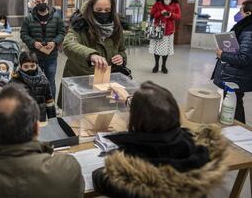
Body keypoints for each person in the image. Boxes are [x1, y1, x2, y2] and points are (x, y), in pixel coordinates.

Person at [92, 81, 228, 197]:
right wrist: (129, 100)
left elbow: (98, 177)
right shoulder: (200, 154)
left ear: (135, 123)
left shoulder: (126, 177)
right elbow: (163, 116)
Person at [212, 0, 252, 123]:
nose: (238, 13)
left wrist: (222, 54)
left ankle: (239, 130)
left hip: (237, 75)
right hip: (234, 73)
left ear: (248, 13)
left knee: (235, 104)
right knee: (233, 102)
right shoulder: (244, 28)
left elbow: (244, 58)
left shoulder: (248, 32)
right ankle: (235, 128)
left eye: (241, 10)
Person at [20, 0, 65, 98]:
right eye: (38, 2)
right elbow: (23, 34)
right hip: (35, 57)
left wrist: (54, 42)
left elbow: (62, 33)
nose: (41, 3)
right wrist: (33, 43)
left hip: (51, 56)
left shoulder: (57, 17)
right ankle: (37, 104)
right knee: (35, 81)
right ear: (35, 3)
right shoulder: (29, 18)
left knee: (50, 81)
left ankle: (51, 106)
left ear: (47, 0)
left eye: (43, 1)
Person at [10, 51, 56, 121]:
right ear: (20, 66)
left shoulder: (44, 81)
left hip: (40, 119)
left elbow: (49, 102)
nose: (29, 69)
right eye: (26, 66)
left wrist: (53, 121)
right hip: (22, 121)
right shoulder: (14, 83)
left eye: (32, 66)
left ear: (36, 65)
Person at [149, 0, 181, 74]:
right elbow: (152, 14)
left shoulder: (175, 4)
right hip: (158, 30)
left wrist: (170, 14)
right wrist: (160, 13)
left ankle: (164, 65)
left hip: (168, 31)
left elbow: (178, 16)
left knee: (165, 50)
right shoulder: (158, 4)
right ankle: (156, 65)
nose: (167, 0)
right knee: (156, 50)